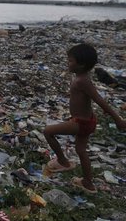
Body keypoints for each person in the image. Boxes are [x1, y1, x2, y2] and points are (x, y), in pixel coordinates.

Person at [44, 43, 126, 194]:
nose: (67, 63)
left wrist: (118, 120)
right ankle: (88, 183)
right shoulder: (81, 78)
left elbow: (100, 100)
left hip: (81, 123)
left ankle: (63, 162)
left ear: (81, 65)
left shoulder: (82, 81)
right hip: (86, 121)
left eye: (70, 61)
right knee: (81, 150)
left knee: (48, 131)